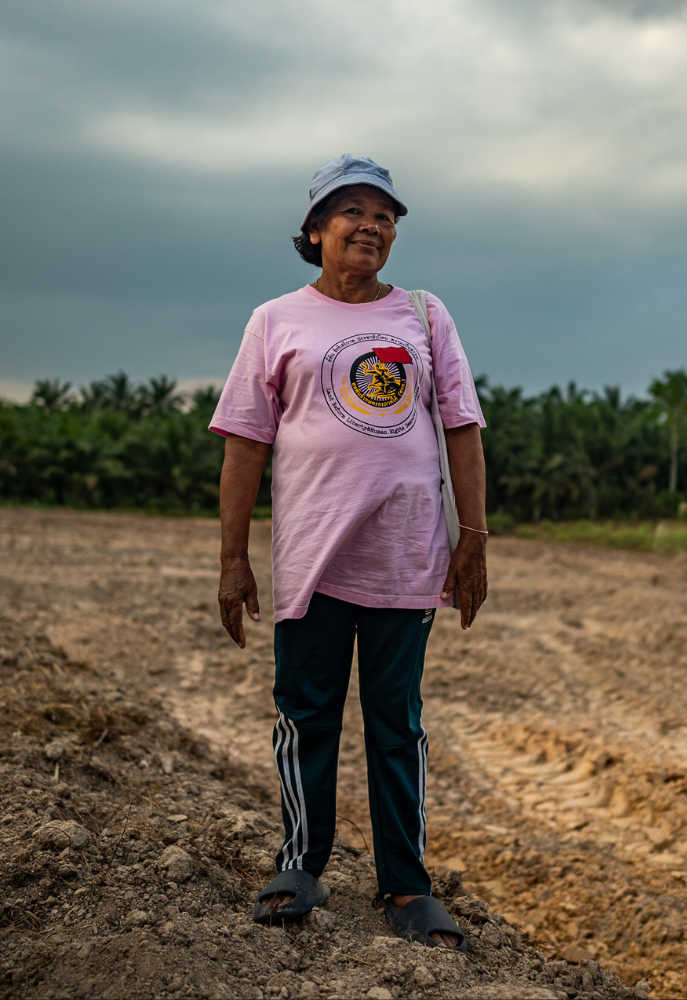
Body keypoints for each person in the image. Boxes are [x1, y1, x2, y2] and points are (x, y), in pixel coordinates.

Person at [212, 154, 488, 951]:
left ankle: (406, 885)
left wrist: (473, 539)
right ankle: (301, 863)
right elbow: (243, 444)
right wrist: (234, 560)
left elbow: (462, 429)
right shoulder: (275, 320)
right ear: (315, 230)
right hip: (313, 560)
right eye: (353, 210)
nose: (373, 224)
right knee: (306, 717)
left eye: (386, 214)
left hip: (406, 559)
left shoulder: (425, 315)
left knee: (397, 723)